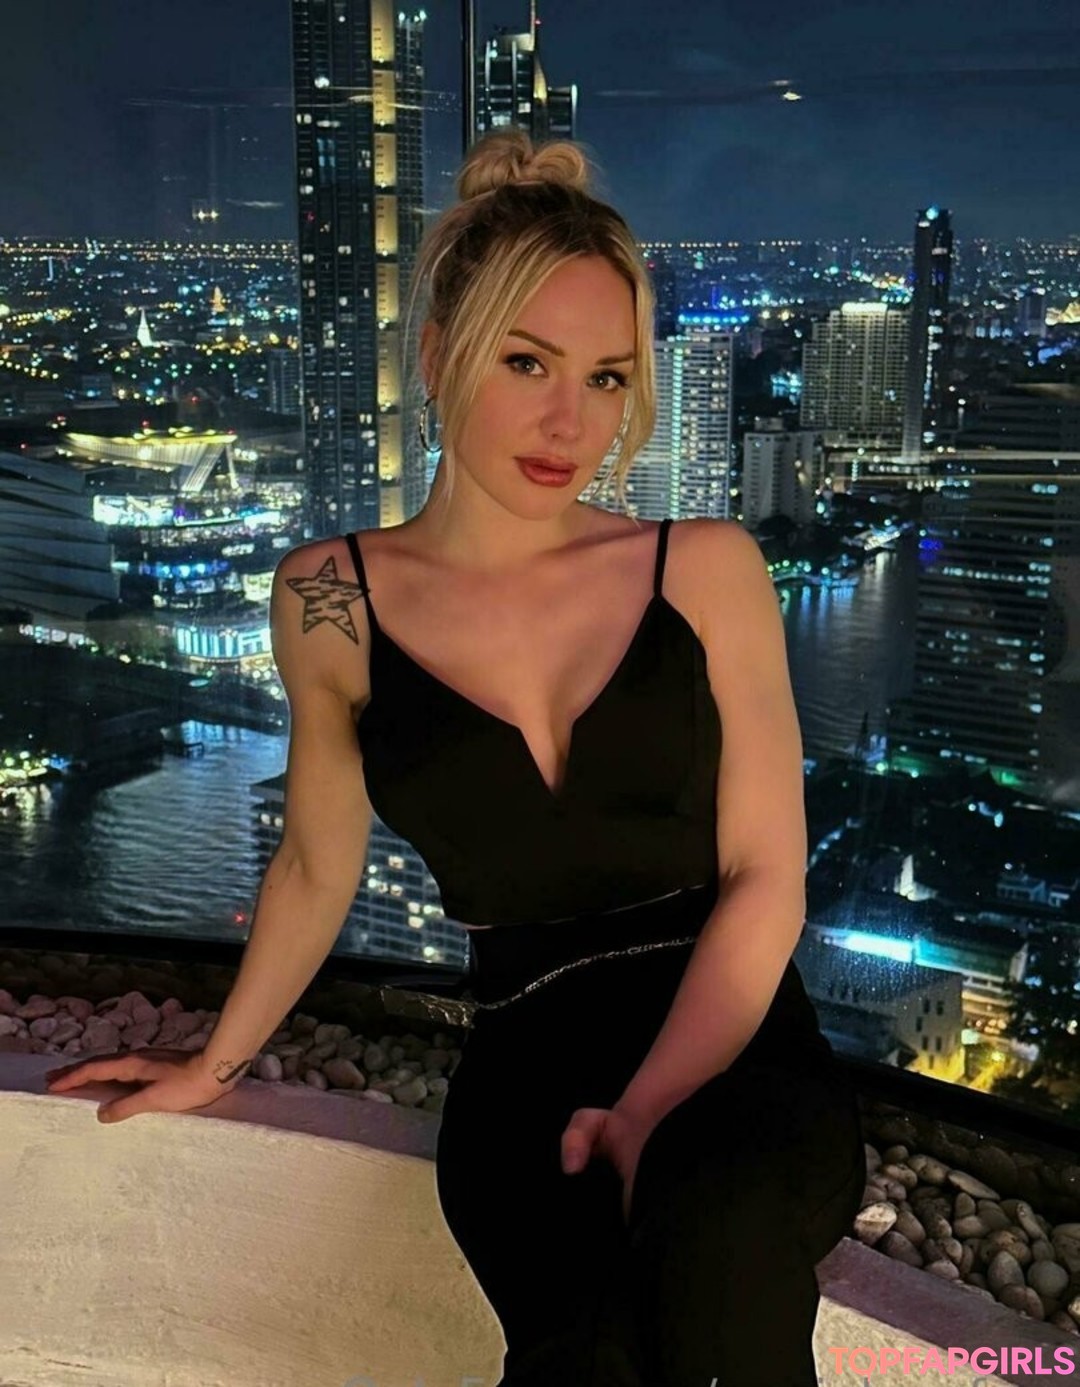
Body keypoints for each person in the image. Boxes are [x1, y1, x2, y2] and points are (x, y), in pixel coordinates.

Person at [44, 128, 866, 1385]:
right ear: (437, 356)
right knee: (580, 1350)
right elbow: (317, 865)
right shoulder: (327, 599)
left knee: (721, 1241)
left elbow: (767, 876)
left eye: (607, 376)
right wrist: (214, 1062)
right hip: (523, 1047)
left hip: (730, 1029)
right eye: (526, 362)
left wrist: (648, 1106)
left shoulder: (704, 569)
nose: (570, 420)